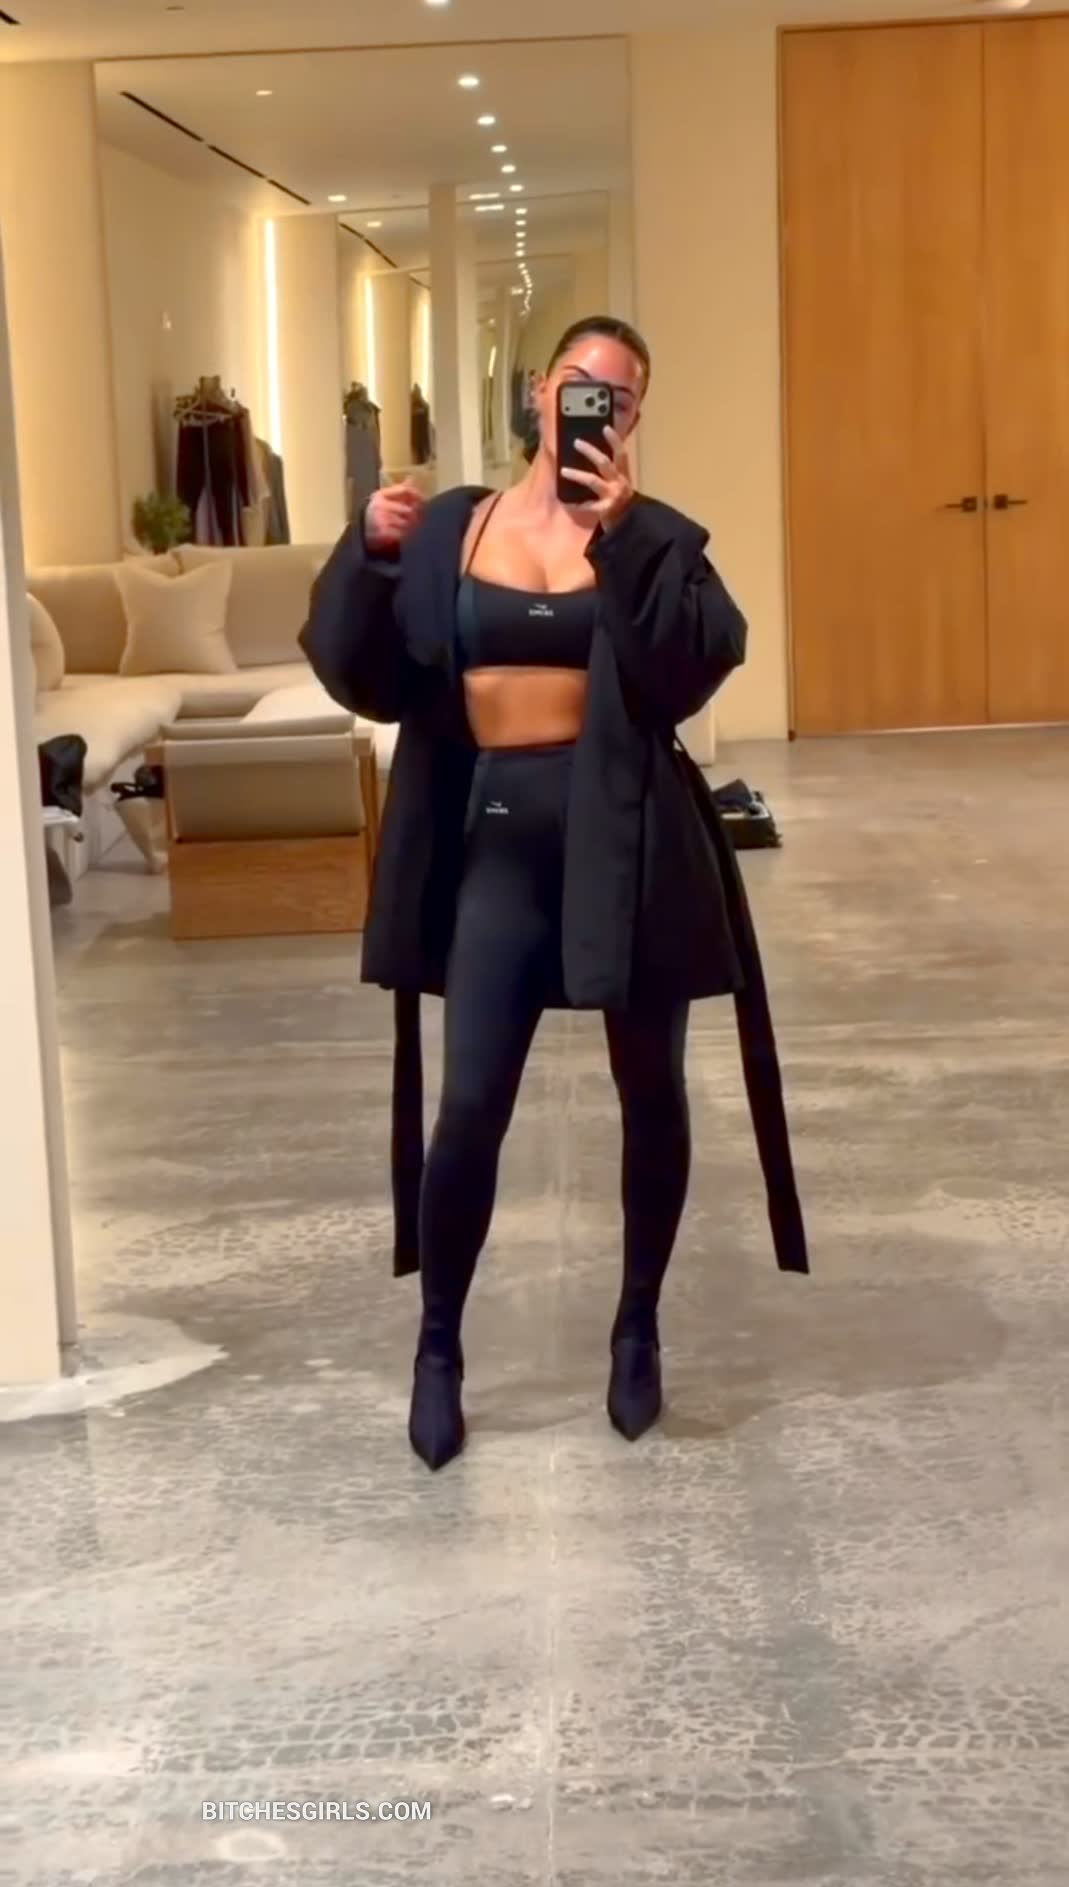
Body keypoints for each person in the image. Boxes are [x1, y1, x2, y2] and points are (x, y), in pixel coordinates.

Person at [301, 315, 808, 1472]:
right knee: (471, 1105)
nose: (596, 406)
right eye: (582, 384)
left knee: (651, 1092)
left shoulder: (650, 534)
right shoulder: (453, 526)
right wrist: (367, 551)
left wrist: (623, 536)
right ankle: (438, 1347)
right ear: (540, 392)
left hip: (626, 850)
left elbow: (691, 666)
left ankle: (636, 1327)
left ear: (634, 419)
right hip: (496, 854)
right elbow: (365, 671)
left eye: (618, 397)